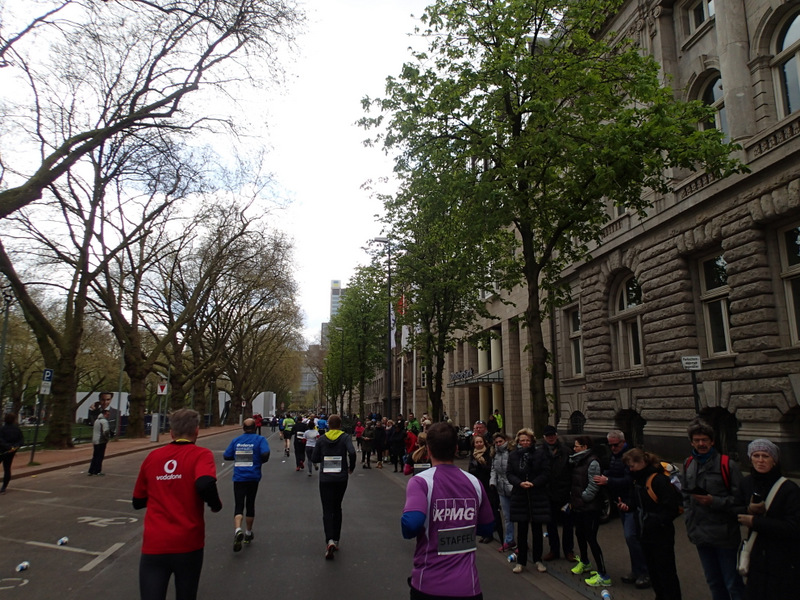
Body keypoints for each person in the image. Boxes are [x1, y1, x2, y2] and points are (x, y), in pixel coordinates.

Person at [132, 408, 222, 600]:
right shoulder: (201, 455)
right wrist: (215, 504)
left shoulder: (153, 457)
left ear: (171, 432)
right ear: (196, 431)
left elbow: (138, 501)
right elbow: (205, 482)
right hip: (188, 542)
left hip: (155, 544)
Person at [402, 421, 495, 599]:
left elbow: (410, 526)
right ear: (455, 448)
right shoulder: (473, 482)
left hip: (429, 584)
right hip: (469, 587)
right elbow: (487, 526)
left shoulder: (421, 482)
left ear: (428, 449)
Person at [681, 419, 745, 600]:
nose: (701, 443)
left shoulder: (727, 465)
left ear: (712, 441)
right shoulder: (688, 464)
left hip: (724, 536)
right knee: (713, 582)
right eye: (697, 440)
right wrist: (689, 520)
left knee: (732, 583)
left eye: (704, 440)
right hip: (700, 534)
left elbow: (740, 502)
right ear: (692, 442)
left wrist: (713, 501)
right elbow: (686, 496)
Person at [736, 439, 800, 600]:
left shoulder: (789, 489)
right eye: (756, 455)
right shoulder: (746, 483)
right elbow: (733, 509)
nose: (760, 460)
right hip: (757, 557)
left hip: (783, 559)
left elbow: (793, 527)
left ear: (774, 460)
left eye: (765, 456)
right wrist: (748, 510)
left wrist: (755, 522)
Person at [619, 448, 682, 600]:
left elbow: (672, 508)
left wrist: (656, 520)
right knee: (653, 572)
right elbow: (636, 502)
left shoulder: (658, 480)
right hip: (645, 532)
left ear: (642, 462)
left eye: (632, 465)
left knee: (666, 572)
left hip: (661, 534)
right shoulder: (637, 480)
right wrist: (628, 505)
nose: (630, 469)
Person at [594, 429, 649, 588]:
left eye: (615, 445)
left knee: (632, 537)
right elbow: (614, 472)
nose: (612, 448)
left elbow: (628, 480)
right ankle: (636, 570)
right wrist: (603, 474)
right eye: (610, 445)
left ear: (623, 442)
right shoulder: (615, 456)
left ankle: (644, 572)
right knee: (630, 539)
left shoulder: (630, 457)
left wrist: (608, 480)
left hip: (632, 503)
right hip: (621, 503)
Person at [311, 414, 356, 559]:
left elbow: (314, 458)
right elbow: (352, 452)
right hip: (341, 477)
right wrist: (351, 467)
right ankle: (336, 539)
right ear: (340, 425)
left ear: (328, 425)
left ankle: (329, 539)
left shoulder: (322, 439)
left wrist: (324, 457)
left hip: (326, 478)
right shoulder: (345, 437)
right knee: (337, 507)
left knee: (327, 509)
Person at [507, 427, 551, 574]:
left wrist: (534, 483)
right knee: (522, 530)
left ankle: (538, 560)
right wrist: (519, 483)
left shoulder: (540, 454)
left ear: (532, 441)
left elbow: (546, 472)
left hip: (536, 494)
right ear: (518, 441)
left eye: (527, 440)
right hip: (520, 495)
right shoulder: (513, 455)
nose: (525, 443)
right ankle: (521, 562)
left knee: (537, 530)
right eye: (522, 440)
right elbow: (509, 473)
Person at [222, 417, 270, 551]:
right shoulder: (260, 440)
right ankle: (248, 533)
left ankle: (238, 529)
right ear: (255, 428)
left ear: (243, 428)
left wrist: (238, 456)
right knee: (250, 503)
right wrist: (258, 460)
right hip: (253, 476)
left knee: (238, 504)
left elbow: (226, 455)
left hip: (239, 477)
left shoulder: (236, 440)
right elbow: (265, 454)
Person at [569, 435, 610, 587]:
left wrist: (584, 497)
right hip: (579, 506)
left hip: (590, 507)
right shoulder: (577, 460)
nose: (574, 448)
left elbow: (594, 485)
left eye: (577, 446)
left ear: (584, 447)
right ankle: (585, 562)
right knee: (579, 534)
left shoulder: (592, 462)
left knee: (591, 538)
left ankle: (603, 574)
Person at [541, 424, 575, 562]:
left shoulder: (566, 451)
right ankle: (554, 550)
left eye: (553, 435)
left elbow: (572, 472)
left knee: (568, 524)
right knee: (551, 524)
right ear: (544, 437)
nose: (551, 438)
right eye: (548, 436)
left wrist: (571, 491)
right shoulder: (540, 452)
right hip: (548, 494)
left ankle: (569, 551)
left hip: (564, 494)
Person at [490, 432, 516, 552]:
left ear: (505, 440)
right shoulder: (495, 453)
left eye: (501, 441)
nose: (499, 444)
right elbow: (494, 469)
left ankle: (523, 543)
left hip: (513, 487)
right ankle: (509, 540)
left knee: (519, 517)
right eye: (497, 442)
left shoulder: (512, 452)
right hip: (501, 489)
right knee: (507, 517)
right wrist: (492, 482)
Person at [0, 413, 24, 494]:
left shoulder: (2, 429)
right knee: (7, 469)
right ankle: (3, 487)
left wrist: (7, 446)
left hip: (2, 450)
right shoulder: (17, 429)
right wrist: (14, 447)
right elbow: (21, 441)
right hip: (11, 452)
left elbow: (1, 440)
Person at [88, 409, 111, 476]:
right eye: (107, 414)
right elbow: (105, 431)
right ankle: (97, 470)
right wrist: (107, 439)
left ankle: (91, 470)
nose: (108, 416)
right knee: (100, 456)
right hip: (101, 441)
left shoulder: (96, 421)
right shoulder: (104, 422)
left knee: (95, 456)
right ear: (104, 414)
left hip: (95, 440)